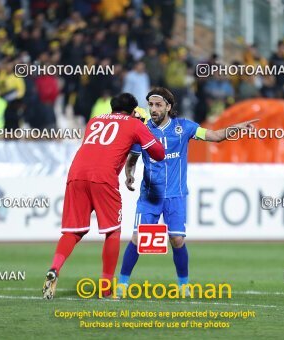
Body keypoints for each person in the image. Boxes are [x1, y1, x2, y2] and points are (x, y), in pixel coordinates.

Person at [118, 87, 258, 295]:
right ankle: (121, 285)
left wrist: (237, 127)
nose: (153, 109)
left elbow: (216, 136)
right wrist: (129, 174)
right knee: (138, 238)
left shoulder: (184, 127)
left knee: (177, 239)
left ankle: (183, 285)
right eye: (151, 105)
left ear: (168, 106)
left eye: (158, 105)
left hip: (175, 195)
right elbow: (133, 158)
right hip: (150, 196)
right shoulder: (142, 130)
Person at [42, 93, 165, 300]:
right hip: (103, 176)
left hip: (76, 174)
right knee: (113, 232)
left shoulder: (94, 121)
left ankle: (54, 268)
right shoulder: (135, 124)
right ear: (133, 110)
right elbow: (159, 153)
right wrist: (144, 128)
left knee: (73, 232)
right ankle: (106, 288)